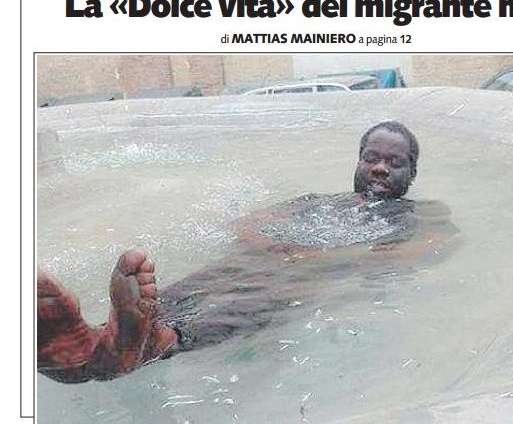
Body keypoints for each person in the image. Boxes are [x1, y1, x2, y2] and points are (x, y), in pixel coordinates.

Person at [38, 121, 458, 383]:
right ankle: (96, 344)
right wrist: (276, 245)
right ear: (358, 162)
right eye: (371, 158)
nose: (380, 168)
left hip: (310, 276)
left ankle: (158, 342)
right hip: (262, 260)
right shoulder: (317, 200)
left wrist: (319, 260)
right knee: (194, 286)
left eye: (394, 162)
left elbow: (427, 249)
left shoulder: (418, 215)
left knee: (251, 301)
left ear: (412, 173)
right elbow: (245, 224)